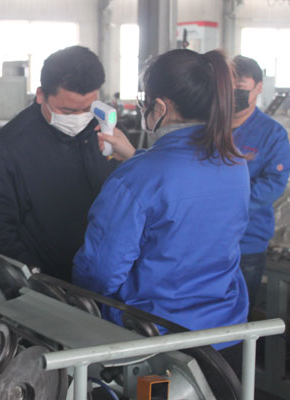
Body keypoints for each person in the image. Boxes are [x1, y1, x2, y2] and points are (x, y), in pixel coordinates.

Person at [72, 49, 250, 370]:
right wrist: (136, 155)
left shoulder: (136, 178)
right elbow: (185, 189)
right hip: (226, 334)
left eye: (144, 101)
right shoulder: (234, 163)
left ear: (161, 107)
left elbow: (100, 272)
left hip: (158, 342)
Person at [0, 46, 119, 281]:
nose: (79, 118)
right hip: (54, 285)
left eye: (87, 109)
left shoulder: (106, 134)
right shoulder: (8, 149)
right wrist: (36, 282)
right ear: (41, 95)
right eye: (67, 110)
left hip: (108, 278)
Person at [232, 55, 290, 310]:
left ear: (258, 88)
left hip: (247, 241)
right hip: (207, 240)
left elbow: (273, 184)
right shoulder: (209, 126)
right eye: (228, 87)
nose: (233, 93)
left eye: (240, 88)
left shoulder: (272, 134)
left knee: (240, 313)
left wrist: (224, 203)